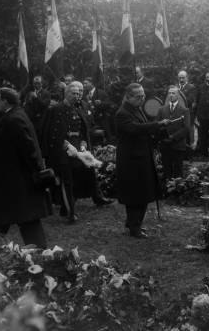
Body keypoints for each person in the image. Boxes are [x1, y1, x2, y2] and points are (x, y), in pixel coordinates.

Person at [0, 88, 51, 248]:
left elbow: (29, 149)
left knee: (24, 220)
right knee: (16, 220)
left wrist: (38, 171)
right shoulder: (15, 115)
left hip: (17, 181)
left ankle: (41, 256)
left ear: (6, 101)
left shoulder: (13, 119)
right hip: (13, 180)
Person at [40, 81, 113, 223]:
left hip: (79, 148)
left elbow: (83, 130)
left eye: (79, 93)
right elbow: (49, 133)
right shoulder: (55, 110)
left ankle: (72, 205)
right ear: (66, 94)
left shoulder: (79, 108)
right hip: (62, 150)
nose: (77, 95)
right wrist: (66, 145)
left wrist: (84, 143)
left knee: (82, 174)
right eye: (74, 93)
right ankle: (70, 212)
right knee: (66, 180)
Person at [115, 83, 170, 238]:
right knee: (136, 195)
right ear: (128, 97)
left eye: (143, 95)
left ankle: (134, 223)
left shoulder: (136, 108)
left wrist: (158, 129)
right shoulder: (123, 113)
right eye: (138, 96)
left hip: (141, 156)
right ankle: (134, 227)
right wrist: (157, 124)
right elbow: (135, 129)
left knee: (143, 192)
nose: (142, 98)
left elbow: (143, 127)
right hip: (131, 159)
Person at [157, 86, 190, 179]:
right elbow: (157, 125)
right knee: (166, 171)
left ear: (178, 95)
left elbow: (186, 128)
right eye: (169, 93)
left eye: (173, 93)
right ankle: (166, 191)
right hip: (165, 146)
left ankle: (177, 192)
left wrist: (172, 137)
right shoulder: (162, 109)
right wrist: (163, 137)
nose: (171, 95)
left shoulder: (184, 110)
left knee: (178, 172)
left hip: (178, 145)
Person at [178, 70, 197, 146]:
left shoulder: (191, 87)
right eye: (180, 78)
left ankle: (189, 148)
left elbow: (189, 100)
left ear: (187, 78)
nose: (181, 80)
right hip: (178, 113)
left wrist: (178, 98)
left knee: (188, 131)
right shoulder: (176, 87)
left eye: (183, 78)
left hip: (188, 113)